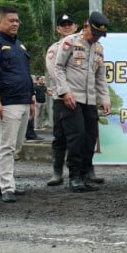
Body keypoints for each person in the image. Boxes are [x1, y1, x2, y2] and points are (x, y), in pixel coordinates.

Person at [0, 5, 37, 203]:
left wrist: (31, 99)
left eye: (17, 21)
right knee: (6, 146)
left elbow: (24, 74)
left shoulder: (19, 46)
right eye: (11, 20)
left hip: (21, 101)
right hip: (5, 103)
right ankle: (7, 186)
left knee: (16, 146)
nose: (15, 24)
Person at [50, 12, 112, 193]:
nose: (96, 38)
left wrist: (105, 99)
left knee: (89, 137)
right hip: (70, 98)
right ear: (86, 27)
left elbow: (100, 77)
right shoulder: (70, 42)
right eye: (94, 34)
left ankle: (85, 175)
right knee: (75, 137)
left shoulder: (98, 48)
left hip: (89, 99)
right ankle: (74, 177)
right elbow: (58, 67)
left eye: (99, 35)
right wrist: (64, 91)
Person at [44, 14, 80, 186]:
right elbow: (55, 73)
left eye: (69, 24)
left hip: (82, 98)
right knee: (60, 136)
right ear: (58, 29)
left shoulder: (85, 46)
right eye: (63, 25)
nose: (67, 27)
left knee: (84, 136)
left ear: (76, 26)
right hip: (61, 98)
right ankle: (57, 172)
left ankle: (86, 170)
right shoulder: (54, 49)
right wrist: (66, 92)